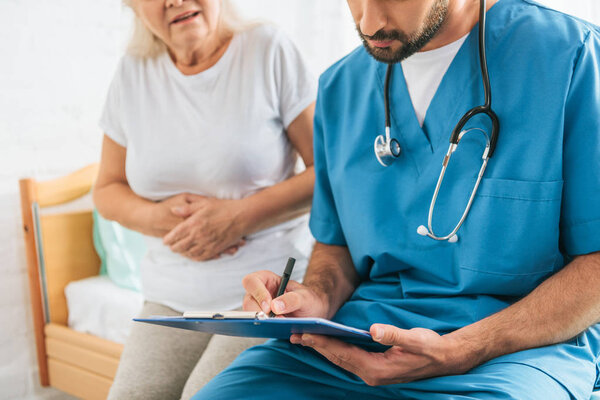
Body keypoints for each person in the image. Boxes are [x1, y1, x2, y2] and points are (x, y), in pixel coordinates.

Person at [193, 0, 600, 398]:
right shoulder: (341, 87)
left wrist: (467, 347)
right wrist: (314, 298)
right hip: (360, 339)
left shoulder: (569, 56)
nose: (369, 22)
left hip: (517, 352)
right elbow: (336, 247)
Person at [92, 0, 317, 398]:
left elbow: (329, 173)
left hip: (265, 292)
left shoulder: (267, 49)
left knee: (205, 394)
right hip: (170, 294)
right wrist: (166, 220)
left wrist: (238, 218)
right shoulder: (132, 72)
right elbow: (107, 190)